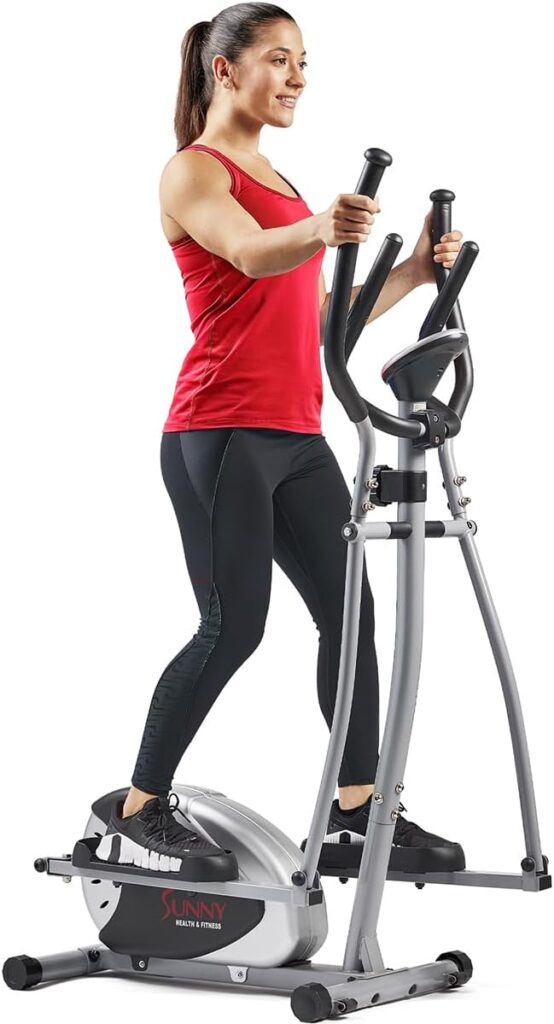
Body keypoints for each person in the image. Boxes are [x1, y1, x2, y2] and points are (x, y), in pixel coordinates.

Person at [97, 2, 465, 877]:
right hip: (220, 431)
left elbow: (322, 316)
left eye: (304, 62)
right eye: (278, 59)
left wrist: (415, 271)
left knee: (350, 614)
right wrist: (319, 229)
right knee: (234, 627)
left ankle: (354, 813)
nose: (297, 77)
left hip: (298, 435)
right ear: (224, 69)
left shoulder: (282, 182)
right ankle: (138, 808)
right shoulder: (193, 173)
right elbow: (252, 253)